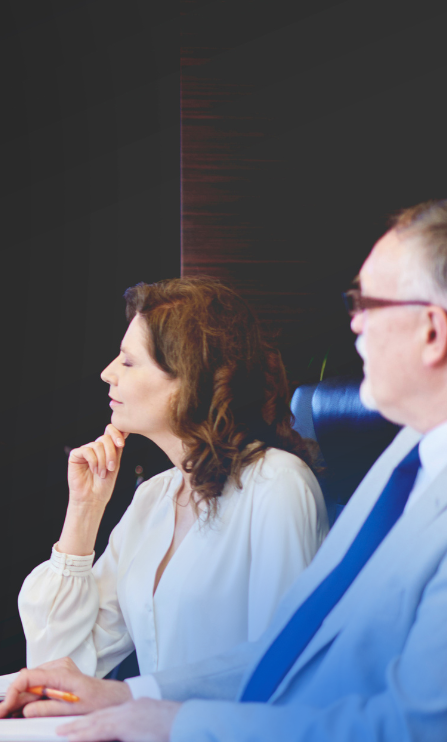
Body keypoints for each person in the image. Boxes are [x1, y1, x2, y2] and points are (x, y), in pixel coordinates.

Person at [0, 200, 447, 742]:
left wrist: (175, 722)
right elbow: (283, 656)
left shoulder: (282, 484)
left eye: (366, 304)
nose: (353, 324)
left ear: (433, 330)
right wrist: (130, 696)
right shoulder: (405, 462)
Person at [19, 278, 326, 678]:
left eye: (128, 362)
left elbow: (279, 675)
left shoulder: (278, 487)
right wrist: (84, 510)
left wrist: (135, 703)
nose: (107, 373)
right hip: (152, 737)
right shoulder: (155, 497)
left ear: (189, 379)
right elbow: (60, 667)